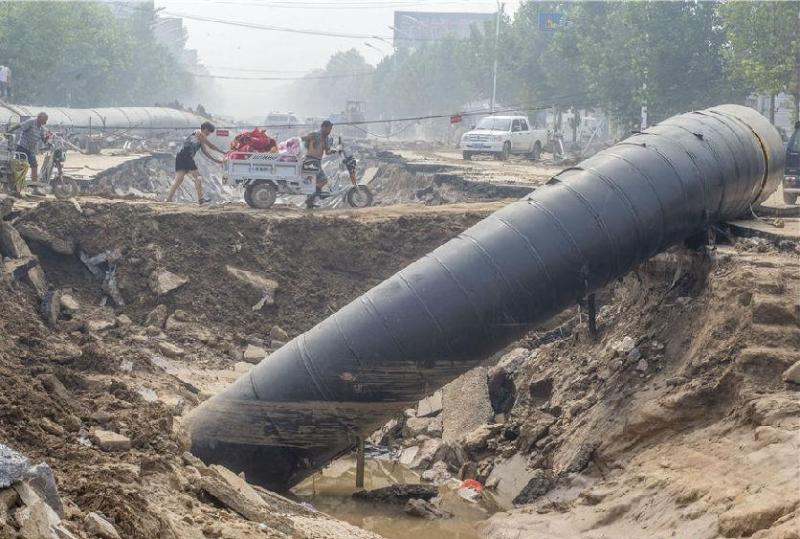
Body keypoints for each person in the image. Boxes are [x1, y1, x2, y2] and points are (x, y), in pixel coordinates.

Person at [166, 121, 224, 204]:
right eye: (209, 131)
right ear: (204, 129)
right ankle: (201, 199)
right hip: (186, 156)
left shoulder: (201, 139)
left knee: (178, 179)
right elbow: (210, 146)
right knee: (198, 177)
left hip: (180, 156)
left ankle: (168, 199)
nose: (209, 134)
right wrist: (223, 152)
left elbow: (206, 153)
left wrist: (217, 161)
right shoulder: (198, 132)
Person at [8, 112, 48, 190]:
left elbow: (44, 140)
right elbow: (20, 125)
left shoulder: (41, 128)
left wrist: (47, 137)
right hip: (22, 147)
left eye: (46, 120)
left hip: (31, 150)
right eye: (44, 120)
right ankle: (16, 185)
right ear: (39, 118)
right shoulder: (31, 121)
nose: (45, 122)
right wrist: (10, 130)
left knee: (34, 165)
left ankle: (34, 187)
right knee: (21, 166)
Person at [301, 120, 335, 208]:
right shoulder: (315, 134)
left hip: (317, 162)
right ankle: (311, 198)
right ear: (323, 127)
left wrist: (334, 151)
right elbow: (303, 139)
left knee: (313, 182)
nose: (329, 131)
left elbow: (327, 152)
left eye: (331, 129)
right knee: (323, 180)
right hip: (311, 160)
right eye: (328, 129)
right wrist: (308, 138)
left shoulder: (326, 138)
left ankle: (310, 201)